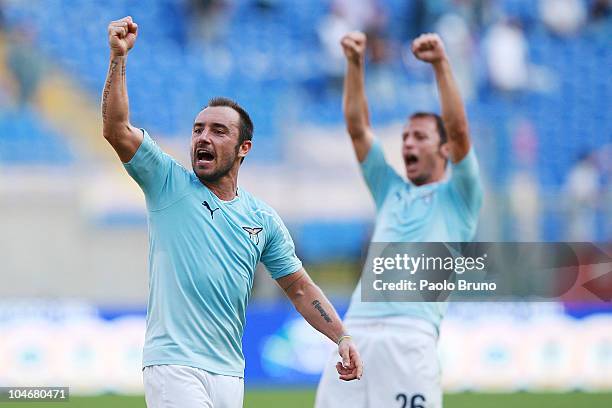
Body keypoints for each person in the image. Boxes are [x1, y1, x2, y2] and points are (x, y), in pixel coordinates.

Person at [102, 16, 363, 408]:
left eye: (218, 131)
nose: (203, 137)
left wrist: (341, 336)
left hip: (229, 373)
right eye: (198, 129)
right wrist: (118, 57)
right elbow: (116, 129)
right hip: (174, 366)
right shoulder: (167, 182)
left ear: (244, 148)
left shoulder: (262, 219)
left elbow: (299, 287)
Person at [315, 31, 483, 408]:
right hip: (354, 332)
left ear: (443, 149)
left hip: (410, 337)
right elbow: (358, 130)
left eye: (419, 136)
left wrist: (440, 63)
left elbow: (458, 130)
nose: (407, 143)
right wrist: (355, 64)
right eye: (405, 137)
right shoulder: (391, 190)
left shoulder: (460, 195)